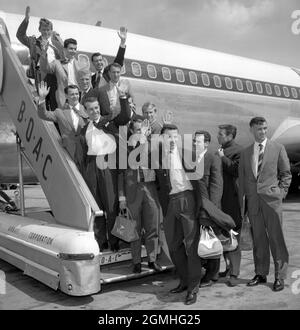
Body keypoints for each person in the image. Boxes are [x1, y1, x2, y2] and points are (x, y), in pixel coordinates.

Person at [239, 117, 291, 292]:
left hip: (272, 202)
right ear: (252, 129)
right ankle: (260, 273)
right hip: (254, 203)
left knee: (277, 240)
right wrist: (244, 203)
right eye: (259, 129)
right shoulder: (246, 153)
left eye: (265, 129)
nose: (263, 132)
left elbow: (286, 174)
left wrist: (280, 194)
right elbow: (243, 179)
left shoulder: (277, 148)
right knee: (259, 240)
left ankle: (280, 276)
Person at [155, 124, 203, 305]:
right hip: (170, 203)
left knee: (191, 246)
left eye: (176, 136)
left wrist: (202, 205)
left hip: (187, 199)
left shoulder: (187, 153)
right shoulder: (157, 158)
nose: (173, 140)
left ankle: (193, 287)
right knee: (174, 246)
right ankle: (184, 280)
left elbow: (200, 180)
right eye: (169, 137)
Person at [76, 96, 131, 252]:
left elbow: (125, 116)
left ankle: (115, 241)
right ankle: (101, 241)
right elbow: (81, 153)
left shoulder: (110, 122)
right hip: (92, 167)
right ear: (85, 111)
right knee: (97, 206)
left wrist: (124, 98)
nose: (94, 111)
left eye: (96, 107)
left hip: (108, 165)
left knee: (111, 205)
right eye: (91, 109)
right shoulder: (84, 129)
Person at [118, 118, 162, 273]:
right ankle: (136, 261)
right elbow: (120, 175)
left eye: (142, 130)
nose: (141, 133)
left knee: (152, 226)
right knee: (133, 229)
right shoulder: (126, 147)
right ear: (131, 131)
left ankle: (152, 260)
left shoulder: (152, 145)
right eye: (138, 130)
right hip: (132, 191)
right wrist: (121, 197)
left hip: (150, 189)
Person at [16, 6, 63, 110]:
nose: (46, 32)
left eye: (48, 30)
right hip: (40, 75)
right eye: (44, 29)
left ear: (51, 30)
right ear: (39, 30)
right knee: (42, 105)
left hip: (54, 77)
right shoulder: (33, 42)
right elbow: (20, 35)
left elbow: (62, 62)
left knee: (55, 105)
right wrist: (26, 20)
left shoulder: (55, 47)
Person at [194, 131, 223, 288]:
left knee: (211, 240)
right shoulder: (193, 159)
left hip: (208, 207)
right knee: (202, 241)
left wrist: (211, 209)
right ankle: (206, 271)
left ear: (206, 143)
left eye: (198, 141)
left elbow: (217, 185)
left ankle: (212, 276)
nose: (195, 144)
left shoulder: (213, 158)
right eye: (194, 141)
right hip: (196, 207)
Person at [217, 124, 243, 287]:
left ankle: (235, 273)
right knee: (224, 237)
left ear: (230, 136)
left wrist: (222, 158)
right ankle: (227, 267)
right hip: (221, 202)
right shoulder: (221, 149)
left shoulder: (239, 151)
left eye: (221, 134)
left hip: (232, 202)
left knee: (234, 239)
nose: (218, 136)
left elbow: (236, 170)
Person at [37, 81, 88, 160]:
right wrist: (42, 98)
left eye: (77, 94)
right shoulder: (59, 113)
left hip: (86, 152)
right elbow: (43, 114)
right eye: (72, 94)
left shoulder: (87, 109)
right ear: (66, 96)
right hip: (69, 154)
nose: (75, 96)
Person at [86, 62, 133, 127]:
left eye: (118, 72)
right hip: (107, 125)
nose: (116, 75)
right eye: (113, 72)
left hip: (123, 125)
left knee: (122, 137)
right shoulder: (101, 90)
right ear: (109, 73)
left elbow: (131, 107)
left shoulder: (126, 89)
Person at [40, 37, 82, 109]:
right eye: (71, 48)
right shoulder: (57, 63)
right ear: (65, 49)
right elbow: (45, 68)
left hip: (78, 98)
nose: (73, 51)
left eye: (75, 49)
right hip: (63, 99)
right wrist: (44, 53)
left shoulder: (80, 64)